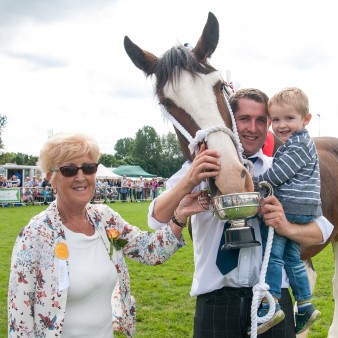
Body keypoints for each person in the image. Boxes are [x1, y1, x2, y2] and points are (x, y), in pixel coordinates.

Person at [148, 88, 333, 338]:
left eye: (261, 120)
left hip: (275, 301)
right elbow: (155, 219)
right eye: (244, 119)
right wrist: (189, 181)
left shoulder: (279, 169)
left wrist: (287, 227)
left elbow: (322, 230)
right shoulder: (199, 167)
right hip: (216, 303)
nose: (253, 128)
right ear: (231, 122)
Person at [8, 132, 208, 338]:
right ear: (51, 178)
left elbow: (150, 251)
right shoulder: (35, 235)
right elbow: (19, 323)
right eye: (68, 170)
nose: (80, 177)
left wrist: (179, 215)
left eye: (88, 168)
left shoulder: (105, 222)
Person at [255, 87, 321, 334]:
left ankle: (270, 304)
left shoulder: (296, 146)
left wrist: (252, 183)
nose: (281, 125)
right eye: (276, 120)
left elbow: (277, 175)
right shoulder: (301, 143)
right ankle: (305, 304)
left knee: (272, 255)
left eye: (289, 119)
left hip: (292, 207)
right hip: (305, 209)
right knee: (293, 258)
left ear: (306, 119)